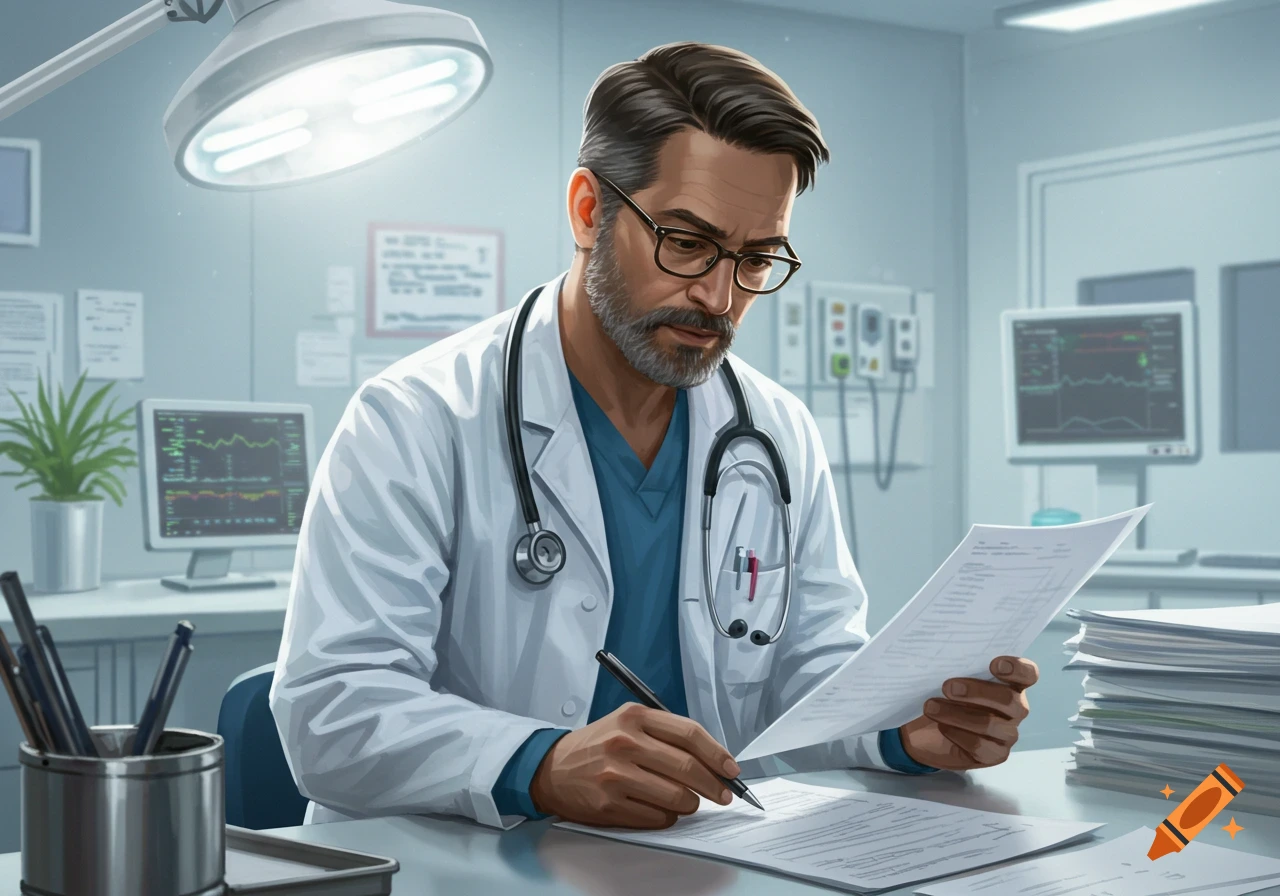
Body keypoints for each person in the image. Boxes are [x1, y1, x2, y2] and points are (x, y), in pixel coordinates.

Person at [270, 41, 1039, 832]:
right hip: (454, 867)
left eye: (757, 258)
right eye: (686, 241)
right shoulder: (414, 419)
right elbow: (332, 710)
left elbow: (807, 674)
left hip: (693, 864)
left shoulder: (774, 433)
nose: (717, 295)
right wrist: (537, 763)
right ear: (587, 211)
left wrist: (901, 732)